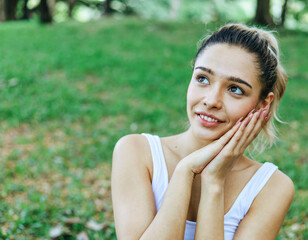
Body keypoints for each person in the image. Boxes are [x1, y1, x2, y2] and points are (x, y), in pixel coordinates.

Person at [111, 23, 294, 240]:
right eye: (203, 79)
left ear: (262, 105)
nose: (211, 100)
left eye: (235, 89)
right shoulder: (136, 152)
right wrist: (184, 172)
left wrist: (213, 181)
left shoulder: (271, 187)